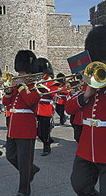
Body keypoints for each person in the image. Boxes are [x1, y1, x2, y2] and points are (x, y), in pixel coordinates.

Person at [65, 25, 106, 196]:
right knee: (79, 184)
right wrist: (85, 95)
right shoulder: (89, 82)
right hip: (86, 147)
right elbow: (69, 107)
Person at [3, 50, 41, 196]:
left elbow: (31, 101)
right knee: (10, 156)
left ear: (29, 73)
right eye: (19, 72)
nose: (19, 75)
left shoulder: (37, 87)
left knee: (24, 163)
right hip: (13, 129)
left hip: (26, 130)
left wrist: (20, 87)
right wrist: (9, 90)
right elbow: (5, 103)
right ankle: (30, 171)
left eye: (22, 73)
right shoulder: (17, 87)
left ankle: (23, 191)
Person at [36, 58, 57, 156]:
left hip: (46, 108)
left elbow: (53, 94)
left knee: (45, 130)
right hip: (38, 108)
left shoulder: (52, 82)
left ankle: (46, 147)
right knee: (38, 131)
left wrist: (45, 88)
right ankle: (48, 140)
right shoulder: (40, 80)